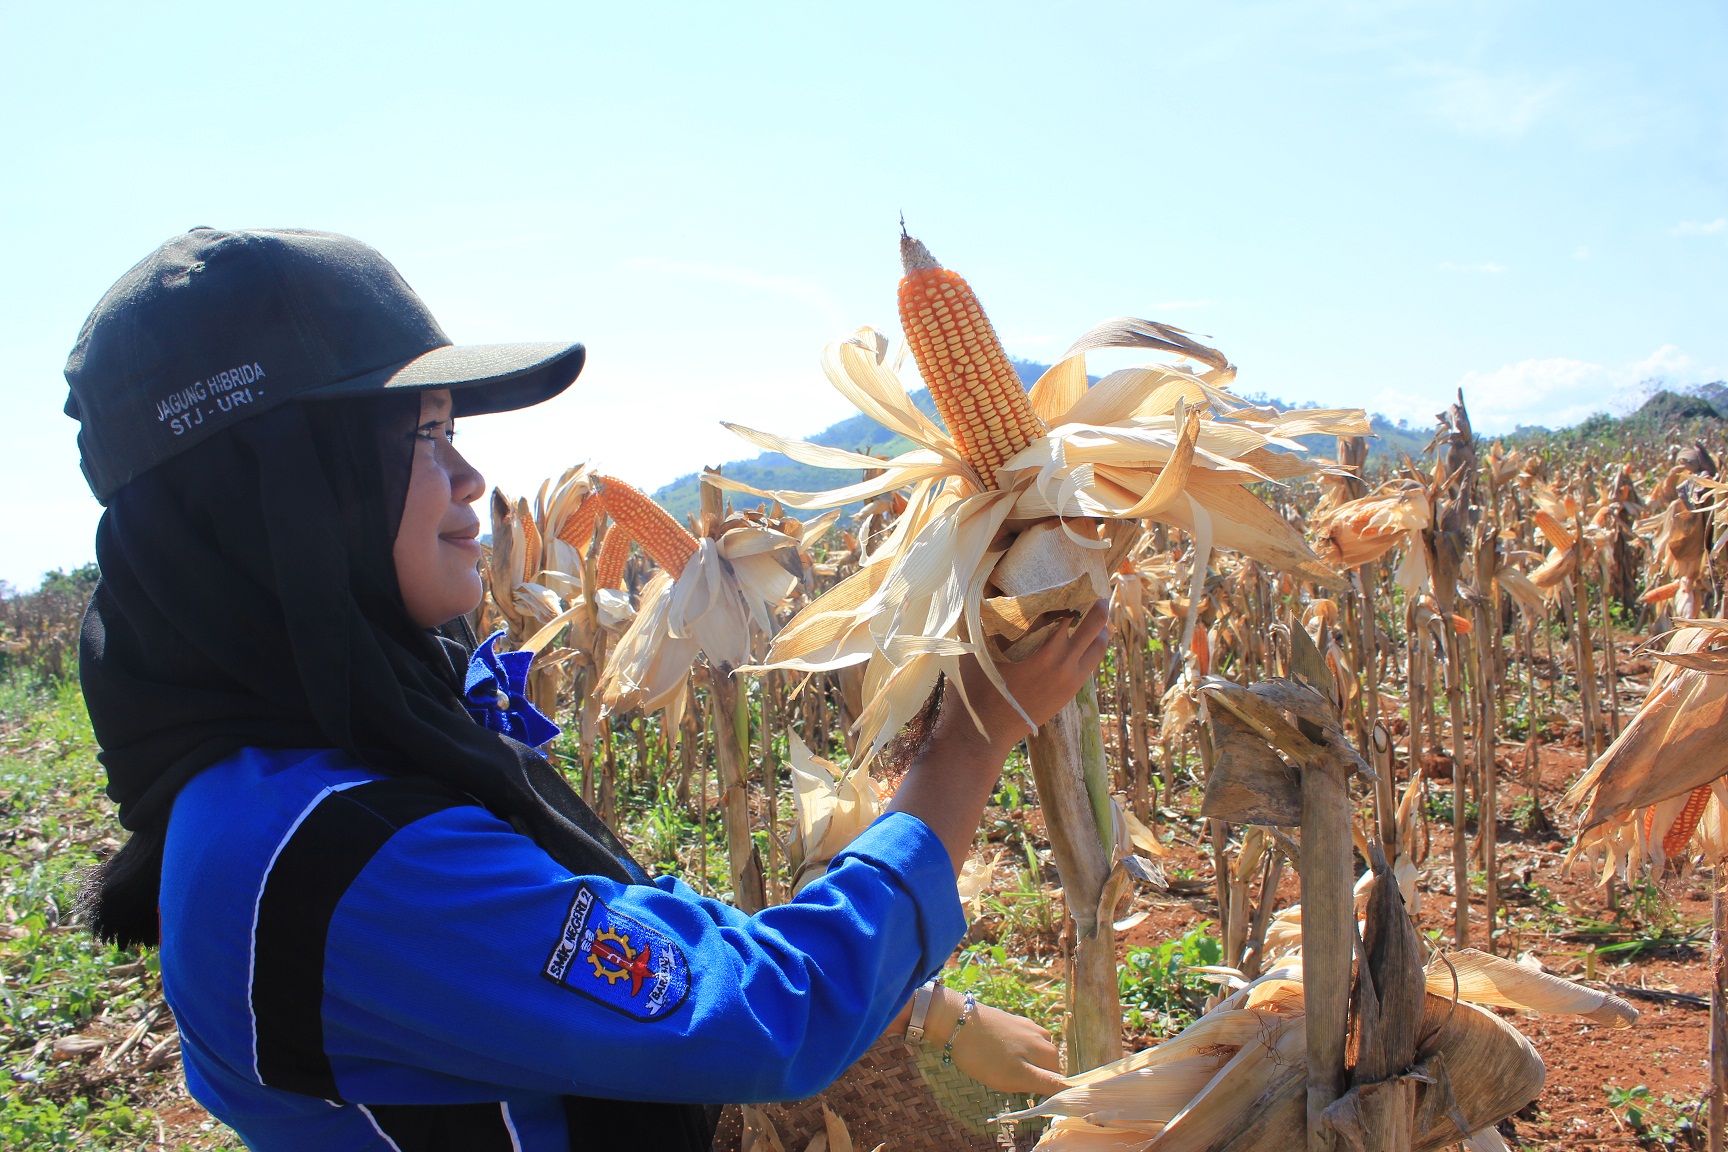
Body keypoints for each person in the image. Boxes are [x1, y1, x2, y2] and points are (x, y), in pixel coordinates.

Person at [66, 227, 1108, 1151]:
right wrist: (968, 744)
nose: (474, 481)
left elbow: (582, 939)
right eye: (422, 437)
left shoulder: (286, 776)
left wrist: (926, 1012)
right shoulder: (338, 860)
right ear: (285, 501)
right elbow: (764, 1022)